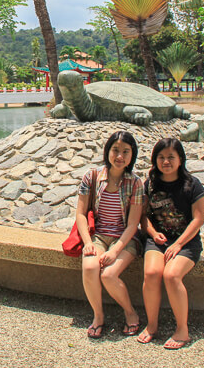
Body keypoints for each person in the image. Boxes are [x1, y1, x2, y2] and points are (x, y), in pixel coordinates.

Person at [137, 137, 204, 349]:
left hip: (186, 243)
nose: (166, 161)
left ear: (180, 159)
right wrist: (152, 232)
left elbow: (198, 219)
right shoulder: (150, 184)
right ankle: (152, 325)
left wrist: (178, 244)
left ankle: (182, 331)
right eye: (161, 157)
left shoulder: (192, 185)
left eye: (170, 157)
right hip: (158, 240)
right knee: (151, 274)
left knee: (172, 275)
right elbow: (143, 216)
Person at [75, 130, 144, 339]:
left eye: (126, 151)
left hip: (125, 239)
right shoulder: (92, 176)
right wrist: (88, 243)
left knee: (108, 274)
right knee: (89, 267)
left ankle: (130, 312)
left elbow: (133, 225)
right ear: (107, 151)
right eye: (115, 150)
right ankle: (98, 316)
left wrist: (115, 251)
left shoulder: (135, 183)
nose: (120, 156)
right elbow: (80, 214)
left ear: (132, 155)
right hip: (99, 236)